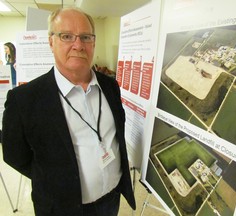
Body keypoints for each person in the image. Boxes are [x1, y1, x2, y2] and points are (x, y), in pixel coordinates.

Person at [1, 7, 136, 216]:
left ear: (93, 42)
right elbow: (14, 156)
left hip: (111, 200)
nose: (78, 45)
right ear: (51, 42)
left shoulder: (110, 86)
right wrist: (52, 178)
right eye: (66, 36)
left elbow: (117, 134)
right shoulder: (24, 100)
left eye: (85, 37)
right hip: (62, 208)